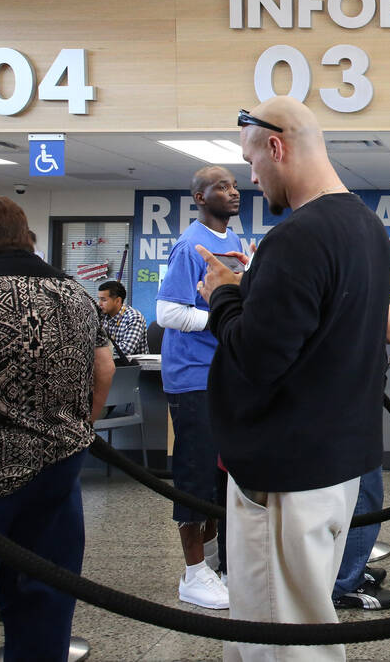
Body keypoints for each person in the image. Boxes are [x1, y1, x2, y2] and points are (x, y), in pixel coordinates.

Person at [197, 96, 390, 662]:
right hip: (335, 465)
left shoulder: (296, 237)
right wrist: (251, 289)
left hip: (286, 474)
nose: (253, 178)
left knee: (280, 643)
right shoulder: (368, 228)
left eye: (252, 162)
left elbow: (256, 359)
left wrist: (224, 295)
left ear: (276, 147)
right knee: (302, 622)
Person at [0, 196, 114, 661]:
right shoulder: (76, 295)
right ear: (25, 237)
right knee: (46, 597)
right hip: (59, 470)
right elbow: (103, 367)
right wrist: (79, 425)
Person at [155, 165, 243, 609]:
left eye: (234, 185)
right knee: (195, 475)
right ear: (200, 198)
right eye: (221, 187)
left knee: (222, 475)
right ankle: (193, 574)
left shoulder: (233, 241)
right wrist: (222, 316)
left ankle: (215, 564)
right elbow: (167, 312)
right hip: (193, 377)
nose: (233, 192)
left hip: (225, 374)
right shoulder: (190, 246)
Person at [332, 305, 390, 611]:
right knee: (363, 489)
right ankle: (346, 583)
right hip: (347, 395)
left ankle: (349, 569)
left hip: (352, 391)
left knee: (361, 488)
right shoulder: (352, 280)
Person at [98, 280, 149, 357]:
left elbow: (126, 350)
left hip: (131, 363)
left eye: (104, 300)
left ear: (118, 301)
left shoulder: (134, 317)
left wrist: (99, 351)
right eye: (99, 299)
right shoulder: (101, 316)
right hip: (109, 361)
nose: (99, 303)